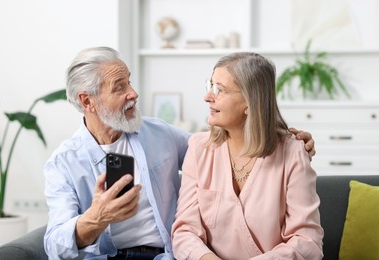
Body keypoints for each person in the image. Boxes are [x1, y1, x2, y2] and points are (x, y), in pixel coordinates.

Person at [43, 47, 316, 260]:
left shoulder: (159, 134)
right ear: (87, 101)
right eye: (119, 87)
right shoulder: (63, 163)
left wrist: (286, 138)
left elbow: (226, 150)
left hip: (164, 255)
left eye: (129, 82)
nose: (133, 93)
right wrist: (96, 217)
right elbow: (54, 245)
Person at [171, 52, 324, 260]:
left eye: (219, 89)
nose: (207, 97)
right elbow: (184, 232)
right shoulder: (199, 148)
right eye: (209, 85)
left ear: (250, 102)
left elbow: (307, 241)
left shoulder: (293, 152)